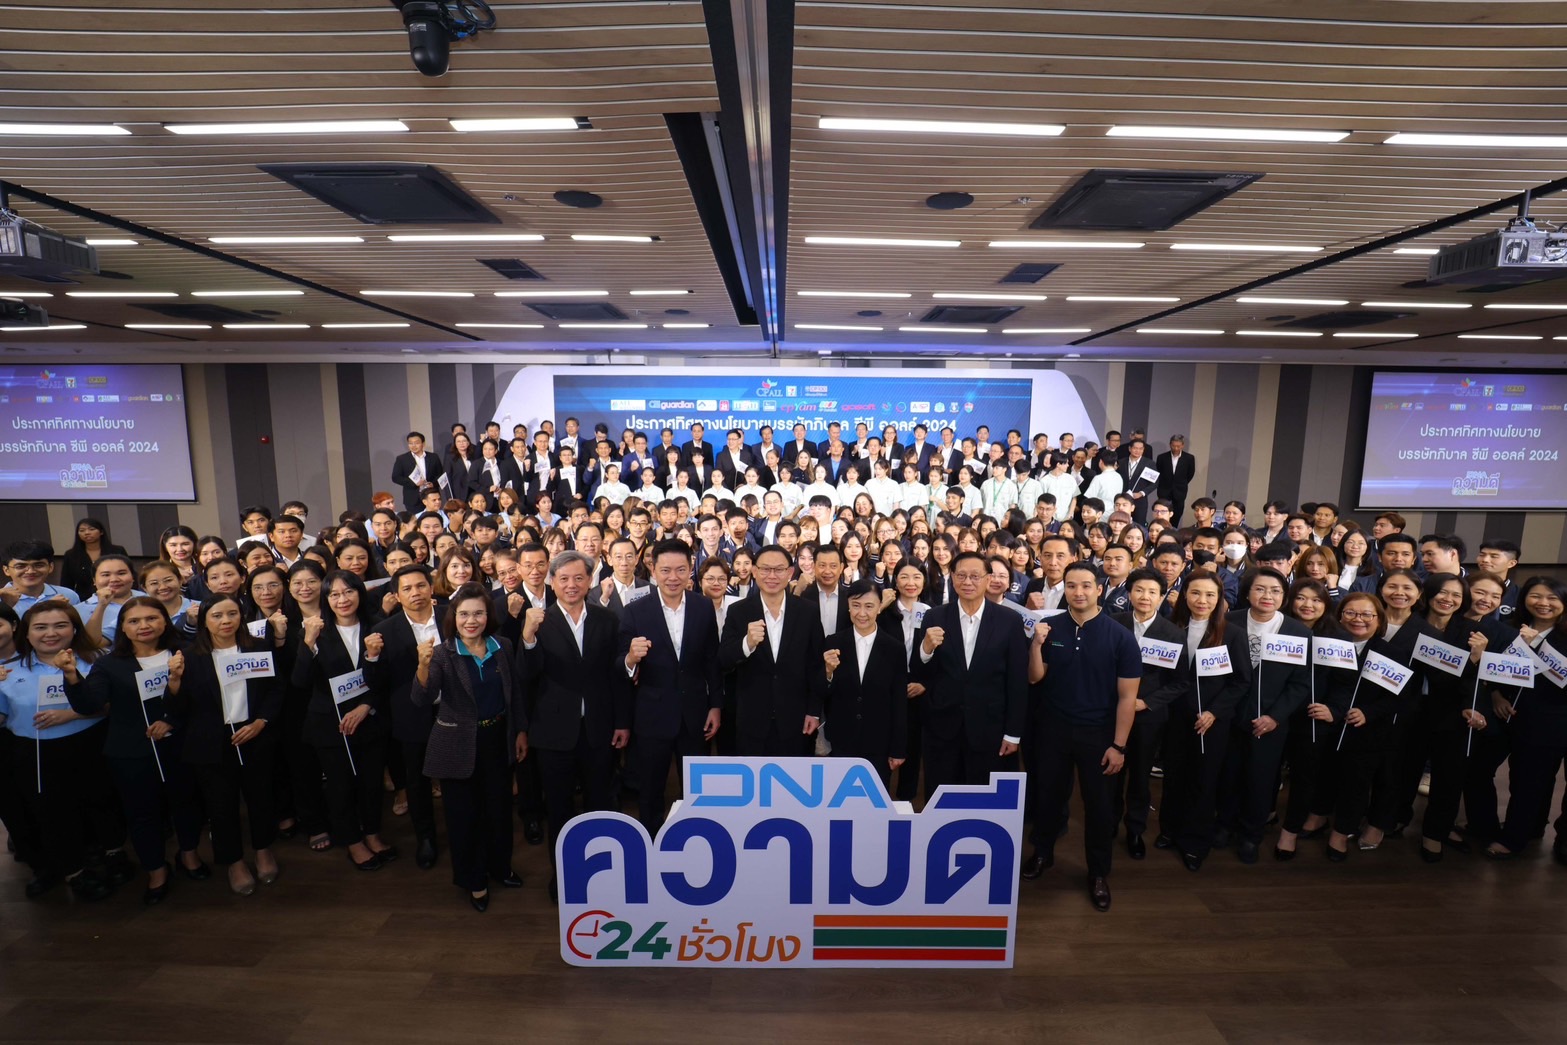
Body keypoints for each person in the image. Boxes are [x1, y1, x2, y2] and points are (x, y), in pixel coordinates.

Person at [69, 596, 209, 904]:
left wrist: (171, 720)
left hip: (182, 745)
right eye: (134, 621)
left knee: (187, 803)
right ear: (122, 627)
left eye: (151, 618)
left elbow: (203, 698)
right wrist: (71, 677)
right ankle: (156, 870)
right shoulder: (108, 663)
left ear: (164, 622)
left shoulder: (187, 652)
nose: (144, 625)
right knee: (142, 813)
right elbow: (90, 704)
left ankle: (189, 855)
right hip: (131, 751)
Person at [1023, 561, 1141, 912]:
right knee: (1047, 798)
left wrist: (1119, 745)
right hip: (1053, 731)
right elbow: (1034, 678)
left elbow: (1127, 698)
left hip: (1099, 735)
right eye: (1072, 585)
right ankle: (1042, 853)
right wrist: (1035, 645)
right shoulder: (1051, 627)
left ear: (1099, 589)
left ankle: (1098, 873)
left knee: (1100, 807)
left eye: (1086, 585)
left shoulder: (1120, 636)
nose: (1079, 592)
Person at [519, 550, 632, 902]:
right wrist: (528, 638)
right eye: (564, 578)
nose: (571, 585)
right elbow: (526, 677)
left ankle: (601, 874)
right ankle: (565, 877)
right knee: (559, 809)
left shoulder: (606, 619)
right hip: (553, 733)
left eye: (579, 578)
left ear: (590, 580)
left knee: (600, 804)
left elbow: (616, 675)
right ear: (551, 582)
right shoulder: (538, 621)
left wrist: (622, 721)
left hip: (599, 728)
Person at [411, 583, 528, 912]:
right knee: (464, 817)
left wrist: (520, 731)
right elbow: (421, 698)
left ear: (488, 615)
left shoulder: (503, 646)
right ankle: (474, 879)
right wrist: (422, 665)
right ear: (454, 617)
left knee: (499, 811)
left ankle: (500, 867)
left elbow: (514, 694)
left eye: (478, 613)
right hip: (458, 744)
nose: (471, 620)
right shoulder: (442, 653)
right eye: (464, 614)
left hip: (497, 739)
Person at [0, 601, 123, 900]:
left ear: (74, 629)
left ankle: (115, 855)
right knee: (53, 813)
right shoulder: (7, 671)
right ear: (26, 633)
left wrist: (72, 715)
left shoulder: (97, 661)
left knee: (103, 801)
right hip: (35, 752)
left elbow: (116, 706)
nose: (50, 633)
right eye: (40, 627)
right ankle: (74, 872)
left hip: (92, 742)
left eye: (60, 625)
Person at [165, 594, 283, 896]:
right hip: (211, 743)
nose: (226, 621)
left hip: (255, 735)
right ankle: (234, 861)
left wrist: (261, 722)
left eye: (232, 614)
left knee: (261, 797)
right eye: (217, 615)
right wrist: (174, 681)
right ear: (204, 620)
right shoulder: (189, 656)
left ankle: (263, 849)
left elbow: (275, 690)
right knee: (221, 805)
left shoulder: (258, 647)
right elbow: (177, 710)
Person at [294, 571, 396, 872]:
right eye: (335, 594)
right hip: (330, 724)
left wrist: (366, 705)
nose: (343, 599)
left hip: (370, 718)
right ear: (326, 599)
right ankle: (352, 841)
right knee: (340, 786)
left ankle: (372, 834)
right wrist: (308, 643)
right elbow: (300, 682)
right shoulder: (316, 631)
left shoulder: (378, 627)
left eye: (349, 591)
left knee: (371, 782)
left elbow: (389, 679)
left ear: (360, 593)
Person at [619, 539, 723, 835]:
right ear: (653, 570)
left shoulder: (703, 606)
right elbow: (618, 662)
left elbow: (712, 660)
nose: (673, 577)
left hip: (695, 714)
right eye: (665, 570)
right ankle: (651, 842)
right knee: (651, 789)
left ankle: (697, 840)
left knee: (696, 789)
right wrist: (630, 658)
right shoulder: (636, 610)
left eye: (680, 569)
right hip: (652, 715)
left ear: (691, 570)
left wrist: (716, 705)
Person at [1214, 568, 1312, 864]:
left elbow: (1300, 684)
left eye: (1275, 591)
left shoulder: (1298, 632)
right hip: (1228, 715)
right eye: (1260, 589)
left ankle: (1251, 835)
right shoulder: (1228, 621)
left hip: (1270, 721)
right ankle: (1224, 824)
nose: (1267, 596)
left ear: (1284, 597)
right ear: (1247, 593)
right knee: (1227, 773)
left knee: (1260, 779)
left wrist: (1275, 717)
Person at [915, 551, 1028, 797]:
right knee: (942, 799)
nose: (967, 582)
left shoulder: (1009, 620)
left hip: (990, 730)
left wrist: (1013, 733)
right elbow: (923, 674)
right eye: (961, 575)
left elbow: (1017, 681)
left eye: (975, 576)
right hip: (942, 729)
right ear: (952, 578)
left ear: (988, 579)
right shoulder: (935, 616)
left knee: (983, 801)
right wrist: (926, 649)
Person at [1158, 574, 1250, 871]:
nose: (1202, 600)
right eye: (1195, 593)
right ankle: (1169, 830)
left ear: (1220, 599)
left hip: (1210, 720)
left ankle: (1195, 842)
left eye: (1210, 595)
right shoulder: (1170, 627)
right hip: (1175, 716)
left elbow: (1241, 681)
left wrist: (1214, 712)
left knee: (1203, 780)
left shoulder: (1233, 634)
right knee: (1174, 776)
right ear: (1184, 595)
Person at [367, 564, 448, 870]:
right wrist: (372, 657)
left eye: (421, 585)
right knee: (417, 781)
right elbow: (377, 683)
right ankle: (426, 838)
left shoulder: (451, 617)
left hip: (454, 710)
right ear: (397, 596)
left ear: (431, 588)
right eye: (407, 589)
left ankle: (465, 829)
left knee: (460, 775)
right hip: (412, 715)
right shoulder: (385, 630)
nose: (416, 593)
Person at [1486, 576, 1566, 862]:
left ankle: (1514, 838)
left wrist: (1534, 648)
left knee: (1531, 780)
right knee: (1522, 777)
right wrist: (1496, 695)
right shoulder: (1509, 629)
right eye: (1536, 596)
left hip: (1552, 720)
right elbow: (1492, 669)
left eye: (1552, 598)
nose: (1543, 603)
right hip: (1510, 717)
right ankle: (1531, 826)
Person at [1109, 568, 1188, 859]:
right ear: (1129, 593)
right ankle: (1109, 824)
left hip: (1148, 717)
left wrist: (1148, 702)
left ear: (1162, 596)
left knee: (1140, 776)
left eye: (1153, 592)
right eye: (1139, 590)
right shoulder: (1113, 624)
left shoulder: (1173, 633)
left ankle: (1135, 829)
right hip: (1113, 712)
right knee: (1111, 773)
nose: (1145, 596)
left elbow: (1180, 682)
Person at [721, 545, 826, 756]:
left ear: (790, 572)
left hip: (797, 722)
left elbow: (816, 666)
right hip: (752, 723)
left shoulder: (808, 612)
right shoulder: (738, 611)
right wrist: (747, 643)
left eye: (779, 569)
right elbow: (723, 660)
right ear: (755, 571)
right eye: (765, 569)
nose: (772, 576)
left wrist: (814, 712)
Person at [59, 518, 128, 601]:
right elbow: (66, 583)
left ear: (101, 532)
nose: (87, 533)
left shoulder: (117, 551)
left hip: (115, 596)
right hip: (83, 600)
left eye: (91, 529)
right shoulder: (71, 554)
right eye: (82, 530)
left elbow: (129, 574)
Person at [391, 431, 446, 512]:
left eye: (416, 443)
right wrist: (414, 483)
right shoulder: (402, 459)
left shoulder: (433, 457)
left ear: (423, 444)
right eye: (410, 443)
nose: (413, 446)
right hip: (412, 498)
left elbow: (440, 475)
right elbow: (396, 477)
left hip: (431, 497)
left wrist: (433, 484)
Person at [1155, 435, 1197, 525]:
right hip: (1164, 490)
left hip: (1180, 491)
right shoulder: (1162, 457)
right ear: (1170, 445)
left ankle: (1173, 529)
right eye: (1173, 446)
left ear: (1182, 445)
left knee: (1177, 513)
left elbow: (1190, 474)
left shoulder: (1189, 458)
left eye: (1178, 446)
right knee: (1161, 512)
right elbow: (1158, 472)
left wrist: (1181, 483)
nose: (1176, 448)